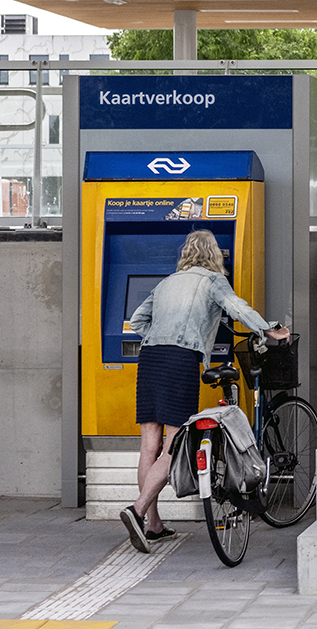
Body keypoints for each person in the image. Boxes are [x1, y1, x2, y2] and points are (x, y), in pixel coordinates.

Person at [121, 229, 289, 553]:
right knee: (174, 446)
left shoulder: (167, 282)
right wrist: (269, 329)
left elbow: (138, 321)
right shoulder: (212, 281)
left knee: (149, 446)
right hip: (179, 359)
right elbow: (237, 309)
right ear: (214, 255)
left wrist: (159, 335)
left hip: (150, 357)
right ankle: (137, 509)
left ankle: (152, 525)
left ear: (186, 253)